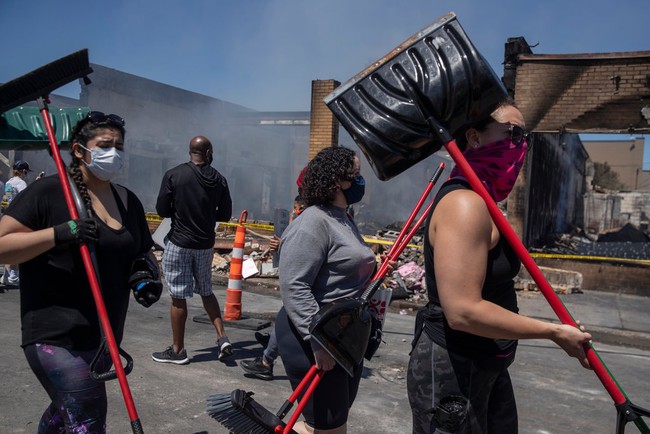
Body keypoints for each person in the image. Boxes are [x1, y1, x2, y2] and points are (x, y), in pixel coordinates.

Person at [406, 102, 592, 434]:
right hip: (453, 369)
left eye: (526, 138)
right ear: (474, 139)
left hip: (488, 363)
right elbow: (463, 311)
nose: (521, 145)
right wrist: (552, 331)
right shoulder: (465, 204)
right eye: (513, 133)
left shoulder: (486, 201)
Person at [0, 111, 159, 433]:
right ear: (78, 150)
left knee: (62, 417)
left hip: (103, 338)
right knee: (87, 417)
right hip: (56, 336)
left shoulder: (127, 200)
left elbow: (141, 252)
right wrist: (59, 233)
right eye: (104, 144)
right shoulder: (48, 192)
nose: (113, 152)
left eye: (119, 146)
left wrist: (144, 275)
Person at [276, 146, 375, 434]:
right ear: (336, 181)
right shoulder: (313, 221)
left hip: (343, 335)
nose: (359, 181)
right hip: (313, 335)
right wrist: (318, 341)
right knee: (330, 427)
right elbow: (294, 285)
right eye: (354, 175)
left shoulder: (343, 216)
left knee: (324, 425)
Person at [152, 135, 233, 365]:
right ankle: (222, 337)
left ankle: (178, 350)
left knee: (178, 297)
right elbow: (225, 215)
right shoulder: (220, 179)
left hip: (179, 243)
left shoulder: (174, 175)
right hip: (205, 245)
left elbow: (161, 210)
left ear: (190, 152)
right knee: (206, 290)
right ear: (208, 153)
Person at [2, 160, 32, 286]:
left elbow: (5, 199)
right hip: (20, 216)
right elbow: (26, 200)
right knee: (18, 247)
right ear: (23, 171)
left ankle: (7, 273)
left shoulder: (8, 183)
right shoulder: (22, 183)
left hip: (8, 214)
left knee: (10, 244)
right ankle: (12, 275)